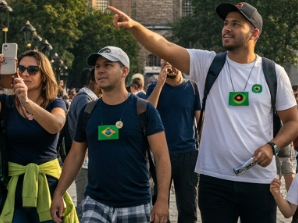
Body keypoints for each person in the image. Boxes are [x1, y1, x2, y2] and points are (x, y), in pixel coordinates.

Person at [105, 2, 298, 223]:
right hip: (214, 180)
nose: (227, 28)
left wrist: (272, 147)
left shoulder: (273, 72)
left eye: (236, 24)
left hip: (259, 181)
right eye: (226, 23)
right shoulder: (209, 64)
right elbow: (164, 46)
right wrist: (133, 26)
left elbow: (292, 122)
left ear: (254, 33)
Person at [50, 46, 171, 223]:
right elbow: (76, 155)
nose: (100, 70)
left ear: (124, 71)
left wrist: (161, 200)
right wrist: (59, 193)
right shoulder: (88, 111)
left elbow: (162, 157)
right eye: (97, 66)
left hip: (135, 203)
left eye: (107, 65)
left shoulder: (144, 110)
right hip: (95, 203)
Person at [0, 50, 73, 223]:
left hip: (47, 186)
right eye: (21, 68)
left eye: (33, 70)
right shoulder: (7, 102)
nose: (26, 73)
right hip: (13, 187)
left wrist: (26, 101)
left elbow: (56, 125)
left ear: (44, 75)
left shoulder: (55, 102)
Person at [146, 59, 201, 223]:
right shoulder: (153, 88)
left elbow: (200, 120)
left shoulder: (192, 88)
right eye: (165, 63)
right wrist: (159, 84)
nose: (170, 66)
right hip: (161, 154)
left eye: (173, 62)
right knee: (158, 204)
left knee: (188, 205)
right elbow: (147, 112)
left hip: (187, 153)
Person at [66, 67, 101, 217]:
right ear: (91, 81)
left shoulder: (87, 98)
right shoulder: (85, 100)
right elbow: (90, 130)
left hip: (87, 161)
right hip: (84, 162)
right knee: (85, 205)